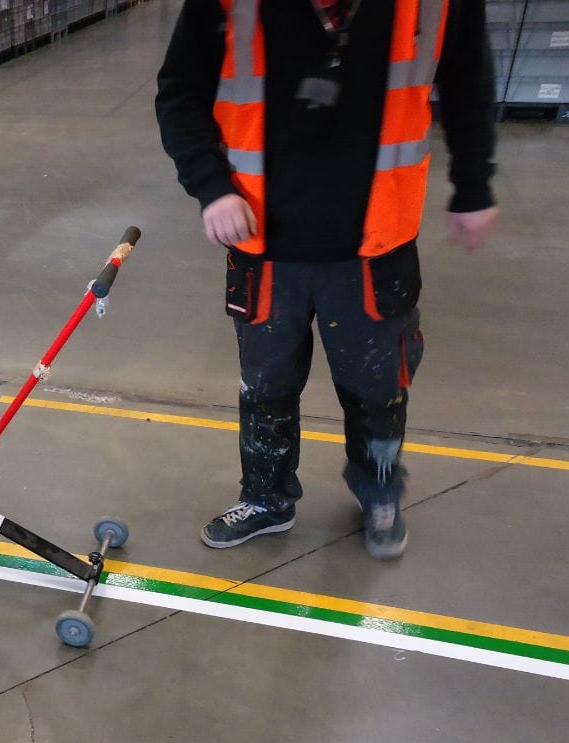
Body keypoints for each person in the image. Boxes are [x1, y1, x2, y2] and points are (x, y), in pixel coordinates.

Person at [155, 0, 498, 560]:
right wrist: (211, 186)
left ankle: (378, 491)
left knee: (378, 388)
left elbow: (469, 82)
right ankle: (266, 498)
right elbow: (179, 91)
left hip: (376, 244)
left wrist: (474, 184)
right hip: (263, 242)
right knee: (266, 386)